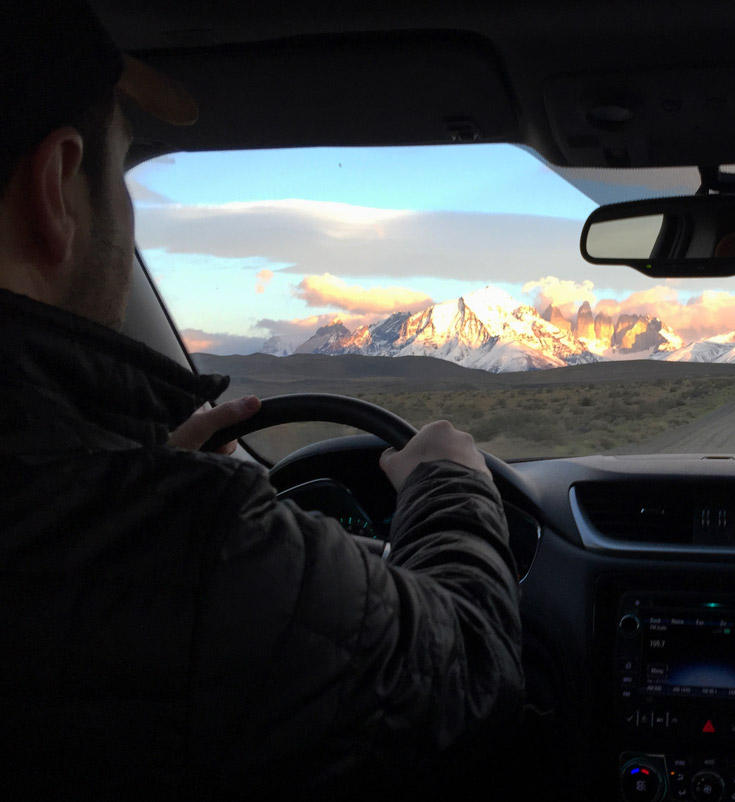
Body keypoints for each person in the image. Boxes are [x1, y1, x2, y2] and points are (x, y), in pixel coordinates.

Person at [0, 2, 522, 797]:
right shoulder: (180, 543)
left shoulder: (103, 511)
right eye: (121, 165)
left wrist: (136, 469)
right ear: (55, 192)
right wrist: (450, 483)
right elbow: (466, 681)